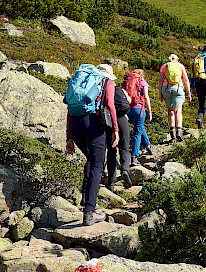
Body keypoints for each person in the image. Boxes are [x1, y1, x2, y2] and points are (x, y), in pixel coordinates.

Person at [65, 63, 119, 226]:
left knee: (90, 159)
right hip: (94, 124)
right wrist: (115, 129)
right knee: (97, 165)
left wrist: (69, 137)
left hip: (75, 124)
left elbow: (69, 108)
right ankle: (90, 212)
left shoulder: (77, 81)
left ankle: (85, 197)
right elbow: (110, 104)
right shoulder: (105, 81)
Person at [100, 65, 133, 190]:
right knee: (124, 148)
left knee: (111, 150)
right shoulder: (118, 88)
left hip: (108, 120)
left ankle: (112, 180)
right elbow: (129, 101)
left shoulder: (99, 89)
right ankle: (125, 170)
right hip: (123, 119)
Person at [158, 54, 191, 141]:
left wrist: (160, 93)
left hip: (166, 88)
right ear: (177, 59)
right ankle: (179, 131)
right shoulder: (180, 66)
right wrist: (189, 93)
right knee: (178, 110)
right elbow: (186, 80)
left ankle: (172, 133)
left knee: (170, 110)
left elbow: (161, 80)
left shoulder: (164, 66)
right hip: (178, 88)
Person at [126, 69, 153, 166]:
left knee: (139, 127)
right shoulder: (142, 82)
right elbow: (146, 97)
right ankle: (134, 156)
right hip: (139, 109)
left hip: (128, 109)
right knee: (137, 133)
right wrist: (149, 111)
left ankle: (148, 145)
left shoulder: (128, 81)